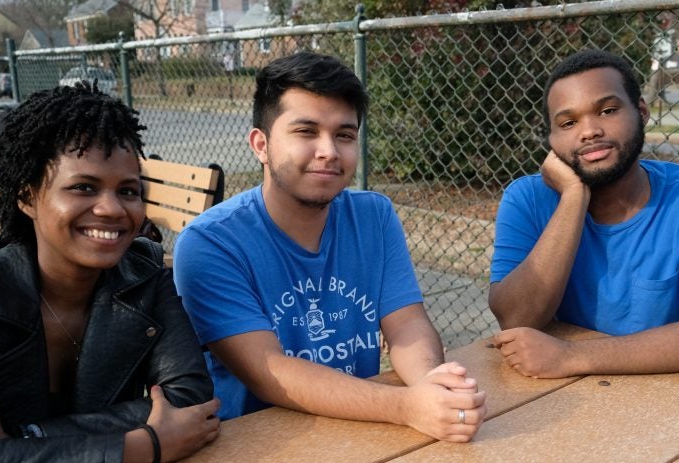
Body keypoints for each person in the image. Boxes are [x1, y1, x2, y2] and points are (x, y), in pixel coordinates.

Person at [0, 82, 220, 463]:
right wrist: (144, 445)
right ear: (27, 196)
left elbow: (190, 405)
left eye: (127, 191)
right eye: (83, 187)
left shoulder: (146, 280)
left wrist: (15, 438)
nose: (113, 210)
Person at [174, 52, 485, 441]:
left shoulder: (374, 216)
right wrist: (406, 407)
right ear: (260, 144)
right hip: (261, 453)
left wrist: (433, 386)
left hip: (363, 430)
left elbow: (406, 324)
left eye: (344, 135)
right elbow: (269, 371)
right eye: (306, 132)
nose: (329, 151)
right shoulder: (210, 243)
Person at [489, 49, 679, 378]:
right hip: (554, 402)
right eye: (568, 123)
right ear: (551, 140)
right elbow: (515, 318)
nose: (589, 131)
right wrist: (573, 197)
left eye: (607, 110)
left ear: (641, 112)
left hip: (676, 402)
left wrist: (571, 356)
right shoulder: (526, 199)